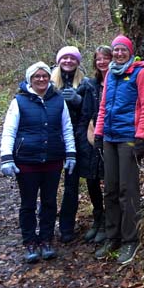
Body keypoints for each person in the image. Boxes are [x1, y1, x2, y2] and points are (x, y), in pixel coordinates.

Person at [0, 61, 76, 263]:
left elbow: (66, 129)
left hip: (53, 160)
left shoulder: (58, 100)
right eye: (37, 77)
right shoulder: (19, 101)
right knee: (28, 203)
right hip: (27, 161)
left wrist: (71, 153)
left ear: (49, 78)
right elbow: (9, 131)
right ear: (29, 79)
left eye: (44, 76)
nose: (41, 79)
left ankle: (46, 239)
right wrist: (6, 158)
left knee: (50, 202)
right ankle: (30, 242)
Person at [94, 35, 144, 265]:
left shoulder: (141, 72)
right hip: (109, 137)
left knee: (127, 189)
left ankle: (130, 239)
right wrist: (99, 134)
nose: (119, 54)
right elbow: (103, 107)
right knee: (109, 188)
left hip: (129, 138)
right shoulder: (110, 73)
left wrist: (141, 137)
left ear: (130, 51)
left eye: (123, 50)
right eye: (116, 50)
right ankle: (113, 236)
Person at [52, 45, 91, 243]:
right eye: (64, 58)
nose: (68, 61)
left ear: (78, 62)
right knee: (48, 186)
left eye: (72, 58)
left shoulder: (84, 83)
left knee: (71, 186)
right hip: (50, 141)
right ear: (59, 60)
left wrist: (78, 101)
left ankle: (67, 227)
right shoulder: (46, 81)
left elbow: (90, 113)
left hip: (74, 143)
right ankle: (46, 226)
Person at [79, 45, 112, 243]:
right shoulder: (90, 84)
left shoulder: (117, 81)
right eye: (98, 59)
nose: (102, 62)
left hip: (111, 138)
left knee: (109, 181)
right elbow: (79, 110)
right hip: (91, 137)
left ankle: (109, 222)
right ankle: (97, 219)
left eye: (105, 58)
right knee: (92, 180)